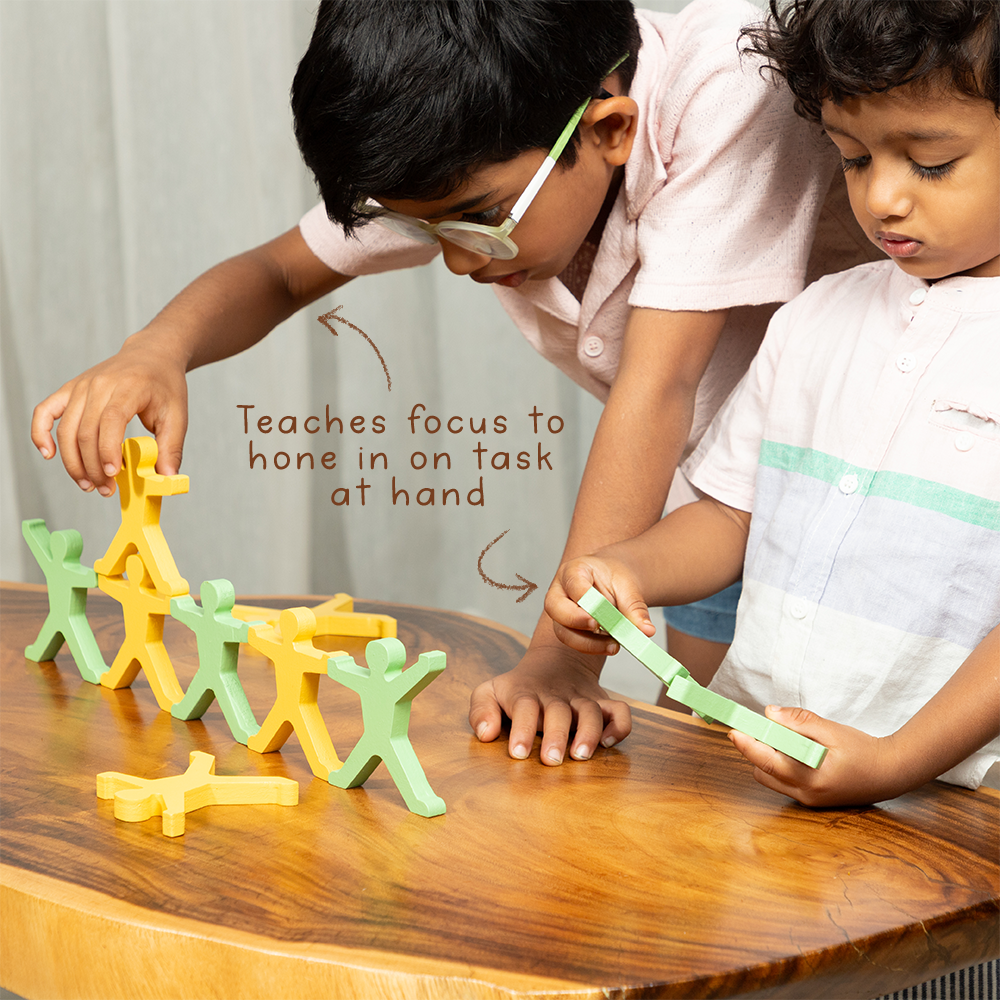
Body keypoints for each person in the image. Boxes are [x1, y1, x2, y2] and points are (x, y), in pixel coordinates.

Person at [30, 0, 874, 765]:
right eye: (425, 231)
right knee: (710, 766)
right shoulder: (471, 153)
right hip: (722, 502)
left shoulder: (725, 88)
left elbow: (658, 386)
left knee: (796, 767)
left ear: (612, 131)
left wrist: (561, 657)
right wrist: (156, 349)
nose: (463, 260)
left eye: (481, 220)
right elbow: (283, 272)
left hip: (883, 469)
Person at [544, 0, 999, 809]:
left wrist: (897, 759)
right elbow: (730, 520)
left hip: (961, 814)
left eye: (930, 163)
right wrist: (626, 568)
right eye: (855, 159)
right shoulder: (815, 316)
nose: (884, 198)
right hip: (763, 781)